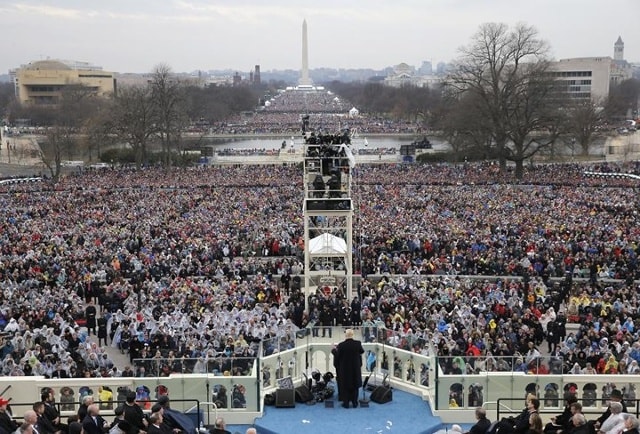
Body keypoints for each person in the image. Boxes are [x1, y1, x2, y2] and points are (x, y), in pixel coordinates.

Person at [333, 328, 364, 409]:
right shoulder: (358, 343)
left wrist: (333, 350)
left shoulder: (341, 345)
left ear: (345, 335)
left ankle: (346, 403)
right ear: (352, 335)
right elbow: (361, 351)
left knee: (345, 386)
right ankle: (355, 403)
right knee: (355, 386)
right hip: (355, 368)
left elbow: (338, 355)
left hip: (345, 369)